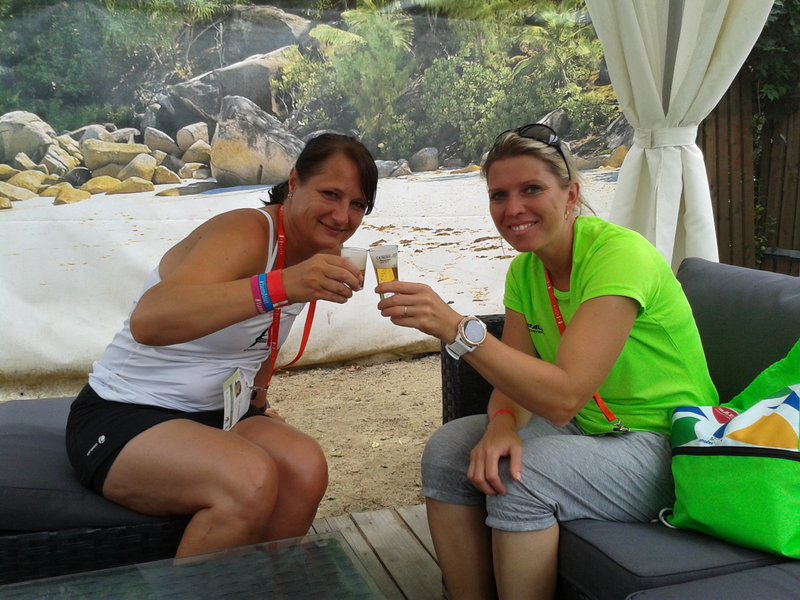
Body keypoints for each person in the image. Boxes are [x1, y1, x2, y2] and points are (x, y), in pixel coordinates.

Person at [375, 124, 717, 600]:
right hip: (590, 429)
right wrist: (501, 425)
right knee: (449, 451)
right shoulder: (525, 270)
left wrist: (458, 329)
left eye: (531, 189)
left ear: (571, 194)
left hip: (668, 442)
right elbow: (514, 379)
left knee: (522, 475)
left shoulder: (618, 256)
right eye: (499, 195)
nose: (513, 208)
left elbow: (563, 397)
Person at [66, 133, 378, 558]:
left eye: (357, 204)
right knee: (248, 479)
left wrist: (258, 400)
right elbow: (150, 319)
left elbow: (263, 336)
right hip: (126, 411)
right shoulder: (249, 231)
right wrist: (280, 285)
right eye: (330, 194)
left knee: (306, 467)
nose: (342, 216)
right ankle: (208, 585)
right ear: (294, 182)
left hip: (221, 414)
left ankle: (268, 583)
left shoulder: (315, 249)